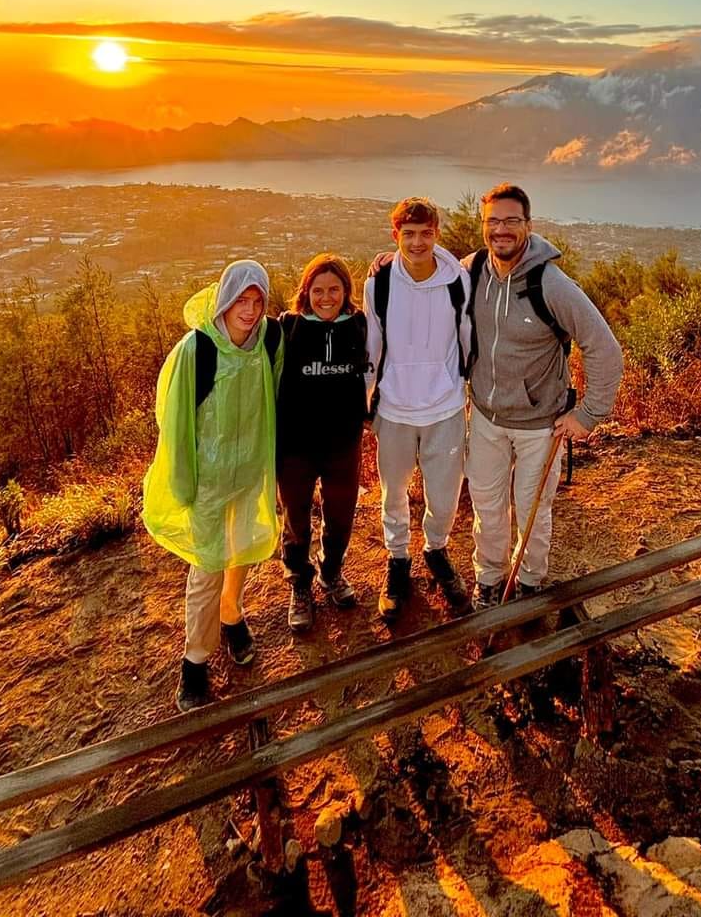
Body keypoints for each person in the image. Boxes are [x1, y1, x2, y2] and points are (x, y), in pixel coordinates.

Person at [464, 184, 623, 610]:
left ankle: (530, 582)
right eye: (493, 221)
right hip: (484, 416)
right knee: (487, 505)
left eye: (511, 221)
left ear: (528, 226)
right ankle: (490, 578)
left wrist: (588, 415)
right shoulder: (472, 270)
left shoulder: (549, 283)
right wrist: (386, 267)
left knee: (532, 510)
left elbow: (604, 347)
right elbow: (427, 275)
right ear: (484, 227)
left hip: (539, 424)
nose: (502, 230)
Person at [142, 260, 282, 712]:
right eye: (241, 300)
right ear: (224, 300)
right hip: (206, 482)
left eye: (257, 301)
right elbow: (176, 419)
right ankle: (195, 659)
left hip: (249, 474)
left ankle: (232, 614)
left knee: (241, 551)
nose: (249, 309)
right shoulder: (197, 349)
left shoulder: (268, 341)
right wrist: (182, 481)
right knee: (207, 568)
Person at [364, 196, 471, 621]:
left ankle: (437, 549)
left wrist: (464, 388)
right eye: (408, 234)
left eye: (426, 233)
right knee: (392, 493)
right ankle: (397, 560)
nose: (417, 242)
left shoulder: (457, 280)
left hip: (445, 407)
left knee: (444, 495)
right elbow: (373, 343)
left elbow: (467, 337)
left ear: (437, 235)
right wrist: (366, 399)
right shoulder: (380, 284)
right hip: (394, 407)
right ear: (395, 237)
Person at [276, 253, 368, 634]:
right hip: (296, 447)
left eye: (334, 289)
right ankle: (300, 583)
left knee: (341, 516)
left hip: (343, 444)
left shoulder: (359, 325)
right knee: (296, 520)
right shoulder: (288, 327)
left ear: (346, 291)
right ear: (306, 292)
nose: (326, 297)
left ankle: (331, 573)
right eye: (318, 290)